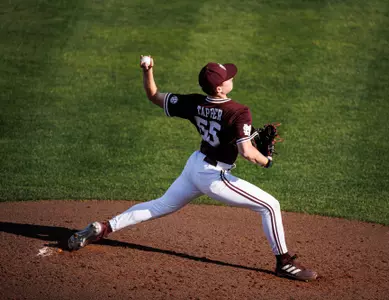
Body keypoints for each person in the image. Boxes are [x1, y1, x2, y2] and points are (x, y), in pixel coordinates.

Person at [67, 55, 318, 282]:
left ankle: (104, 227)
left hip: (195, 166)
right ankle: (284, 263)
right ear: (220, 88)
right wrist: (267, 161)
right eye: (228, 77)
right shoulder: (239, 111)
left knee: (159, 206)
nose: (232, 77)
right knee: (270, 205)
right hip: (214, 177)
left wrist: (148, 69)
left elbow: (153, 95)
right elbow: (247, 153)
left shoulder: (194, 103)